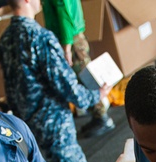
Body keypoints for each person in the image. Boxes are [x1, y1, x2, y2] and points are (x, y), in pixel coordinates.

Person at [0, 0, 108, 162]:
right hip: (55, 123)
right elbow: (67, 85)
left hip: (29, 127)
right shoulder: (40, 37)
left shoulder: (5, 40)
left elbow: (10, 89)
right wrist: (96, 95)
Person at [40, 0, 116, 138]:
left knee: (85, 78)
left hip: (69, 39)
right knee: (83, 77)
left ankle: (102, 117)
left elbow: (64, 13)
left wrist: (67, 46)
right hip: (71, 37)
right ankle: (98, 116)